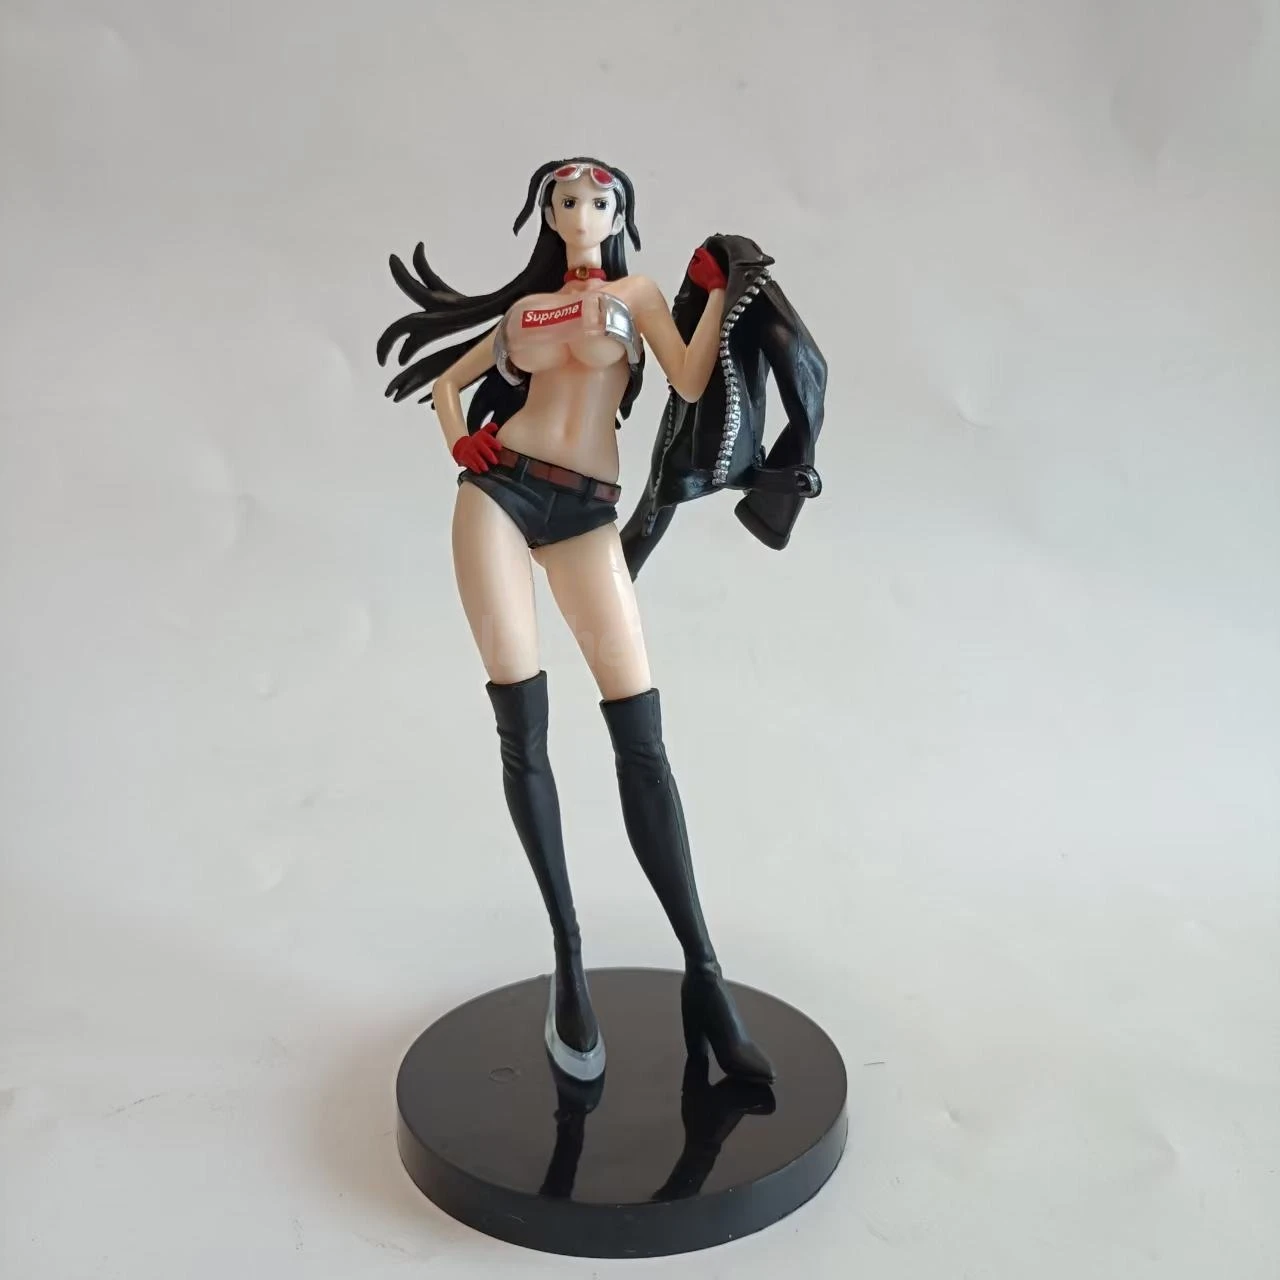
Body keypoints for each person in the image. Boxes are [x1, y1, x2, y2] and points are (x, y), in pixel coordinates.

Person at [376, 157, 774, 1084]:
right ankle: (568, 954)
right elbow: (450, 383)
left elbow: (687, 380)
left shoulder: (636, 296)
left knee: (642, 735)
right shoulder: (525, 313)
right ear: (546, 214)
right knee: (523, 725)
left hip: (586, 511)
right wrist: (459, 440)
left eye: (599, 199)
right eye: (566, 199)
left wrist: (719, 288)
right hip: (499, 494)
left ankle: (704, 973)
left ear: (619, 212)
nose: (582, 211)